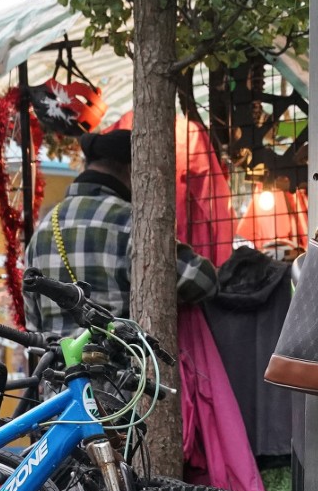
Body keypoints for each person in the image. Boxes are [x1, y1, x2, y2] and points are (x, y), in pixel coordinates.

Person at [23, 118, 220, 333]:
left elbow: (33, 323)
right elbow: (203, 281)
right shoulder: (131, 223)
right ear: (131, 171)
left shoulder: (42, 232)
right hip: (123, 363)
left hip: (57, 364)